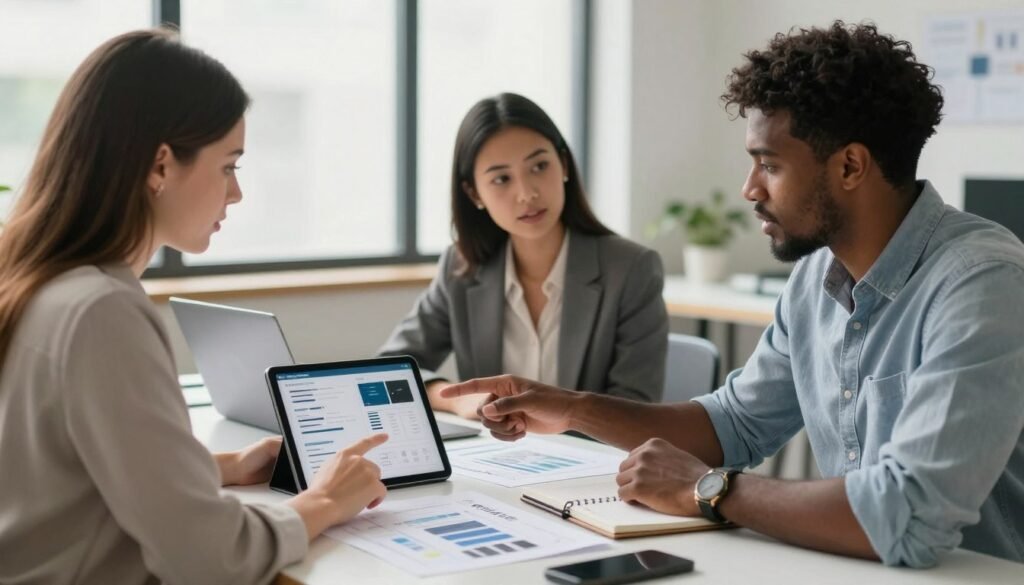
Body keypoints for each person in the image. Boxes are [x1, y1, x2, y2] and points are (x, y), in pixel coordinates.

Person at [441, 22, 1024, 568]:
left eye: (768, 164)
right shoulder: (814, 279)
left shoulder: (981, 283)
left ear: (850, 166)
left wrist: (708, 490)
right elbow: (732, 426)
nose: (749, 189)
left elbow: (910, 513)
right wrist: (572, 407)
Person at [0, 29, 388, 584]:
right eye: (229, 165)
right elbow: (208, 560)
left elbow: (59, 477)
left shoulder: (37, 282)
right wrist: (325, 501)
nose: (236, 194)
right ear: (161, 165)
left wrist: (220, 467)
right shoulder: (101, 312)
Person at [379, 93, 669, 419]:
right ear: (474, 193)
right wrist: (458, 400)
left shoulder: (631, 270)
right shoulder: (461, 269)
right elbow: (391, 368)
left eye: (539, 166)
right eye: (502, 178)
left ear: (563, 165)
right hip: (493, 462)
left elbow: (636, 411)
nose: (527, 193)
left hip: (596, 464)